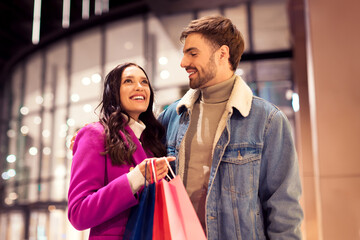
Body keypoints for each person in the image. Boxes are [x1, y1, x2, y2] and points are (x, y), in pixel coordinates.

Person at [158, 16, 303, 239]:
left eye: (193, 53)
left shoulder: (268, 121)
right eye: (184, 53)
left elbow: (284, 211)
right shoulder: (172, 116)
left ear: (222, 54)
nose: (183, 63)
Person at [68, 63, 174, 239]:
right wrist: (135, 179)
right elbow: (78, 213)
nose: (139, 87)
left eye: (144, 82)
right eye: (128, 81)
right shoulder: (95, 134)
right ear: (114, 92)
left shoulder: (152, 143)